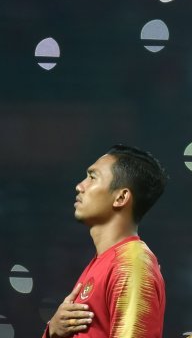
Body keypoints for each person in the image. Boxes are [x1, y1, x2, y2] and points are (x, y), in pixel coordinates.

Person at [43, 144, 168, 338]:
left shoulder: (131, 265)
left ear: (121, 197)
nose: (80, 186)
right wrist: (53, 332)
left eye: (92, 177)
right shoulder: (102, 262)